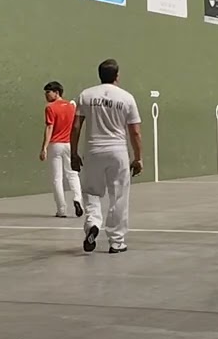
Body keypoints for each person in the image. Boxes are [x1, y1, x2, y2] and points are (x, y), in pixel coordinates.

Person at [71, 59, 142, 254]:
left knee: (91, 191)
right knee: (118, 196)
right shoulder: (127, 98)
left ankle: (93, 223)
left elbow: (76, 126)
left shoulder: (86, 95)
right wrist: (138, 158)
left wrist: (74, 153)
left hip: (93, 151)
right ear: (117, 76)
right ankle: (116, 241)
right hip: (118, 152)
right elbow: (135, 132)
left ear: (99, 75)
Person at [39, 81, 84, 218]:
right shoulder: (71, 106)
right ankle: (77, 199)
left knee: (57, 179)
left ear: (56, 92)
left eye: (48, 92)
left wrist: (44, 148)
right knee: (72, 174)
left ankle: (62, 210)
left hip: (56, 146)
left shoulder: (50, 108)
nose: (46, 95)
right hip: (69, 145)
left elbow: (49, 128)